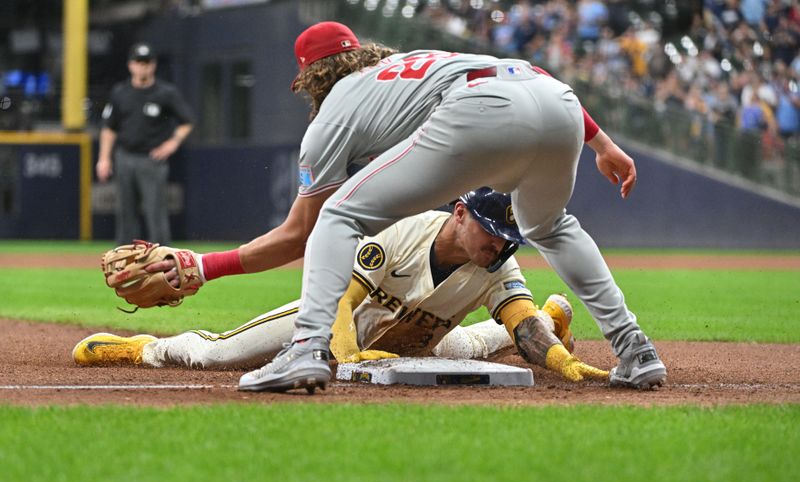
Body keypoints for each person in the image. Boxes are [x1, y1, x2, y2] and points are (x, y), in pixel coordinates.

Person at [241, 21, 667, 393]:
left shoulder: (332, 113)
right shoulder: (414, 62)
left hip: (481, 108)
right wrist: (604, 144)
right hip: (559, 102)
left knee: (338, 213)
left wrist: (210, 268)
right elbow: (532, 73)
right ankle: (635, 349)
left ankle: (305, 349)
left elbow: (301, 230)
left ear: (311, 78)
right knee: (550, 227)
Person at [74, 189, 608, 388]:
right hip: (330, 319)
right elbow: (341, 298)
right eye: (492, 235)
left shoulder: (498, 263)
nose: (500, 248)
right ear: (461, 214)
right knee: (218, 355)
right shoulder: (405, 231)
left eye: (507, 241)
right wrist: (348, 357)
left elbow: (517, 319)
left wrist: (558, 359)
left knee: (466, 343)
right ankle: (149, 348)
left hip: (412, 339)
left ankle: (556, 312)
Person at [96, 43, 194, 245]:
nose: (143, 67)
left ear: (154, 65)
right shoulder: (120, 92)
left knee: (155, 212)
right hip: (125, 156)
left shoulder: (165, 93)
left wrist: (172, 144)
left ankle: (162, 261)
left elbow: (188, 121)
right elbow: (109, 128)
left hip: (152, 159)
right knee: (125, 214)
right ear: (131, 65)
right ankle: (124, 261)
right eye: (139, 62)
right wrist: (104, 158)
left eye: (147, 62)